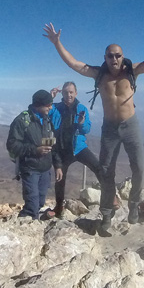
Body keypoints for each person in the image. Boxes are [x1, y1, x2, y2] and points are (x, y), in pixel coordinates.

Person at [43, 15, 144, 236]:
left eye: (118, 56)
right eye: (110, 56)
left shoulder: (132, 71)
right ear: (105, 58)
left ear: (122, 56)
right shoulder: (99, 75)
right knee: (107, 171)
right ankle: (107, 214)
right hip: (109, 128)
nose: (114, 59)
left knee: (139, 168)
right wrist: (57, 43)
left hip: (130, 124)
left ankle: (134, 205)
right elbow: (75, 64)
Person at [48, 81, 104, 218]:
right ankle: (59, 206)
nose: (69, 95)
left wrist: (81, 123)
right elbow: (41, 114)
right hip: (61, 150)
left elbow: (87, 129)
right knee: (60, 179)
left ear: (76, 93)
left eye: (71, 92)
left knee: (98, 167)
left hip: (78, 148)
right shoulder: (55, 108)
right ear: (63, 93)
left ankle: (110, 197)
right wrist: (50, 97)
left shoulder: (81, 108)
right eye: (66, 92)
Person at [6, 89, 63, 220]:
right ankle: (26, 226)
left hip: (45, 169)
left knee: (40, 202)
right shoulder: (22, 121)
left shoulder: (47, 120)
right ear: (38, 105)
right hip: (30, 169)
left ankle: (25, 221)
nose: (51, 107)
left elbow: (53, 145)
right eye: (48, 105)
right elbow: (12, 144)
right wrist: (35, 150)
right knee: (32, 205)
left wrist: (58, 165)